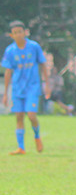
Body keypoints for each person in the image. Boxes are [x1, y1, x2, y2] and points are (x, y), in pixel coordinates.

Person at [2, 20, 49, 154]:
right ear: (11, 35)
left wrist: (47, 84)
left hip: (32, 87)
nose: (18, 35)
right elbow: (8, 71)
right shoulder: (10, 51)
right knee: (19, 117)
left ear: (25, 32)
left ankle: (37, 136)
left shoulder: (34, 47)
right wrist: (6, 93)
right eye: (15, 33)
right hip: (17, 88)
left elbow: (43, 65)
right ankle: (21, 147)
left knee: (31, 115)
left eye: (20, 32)